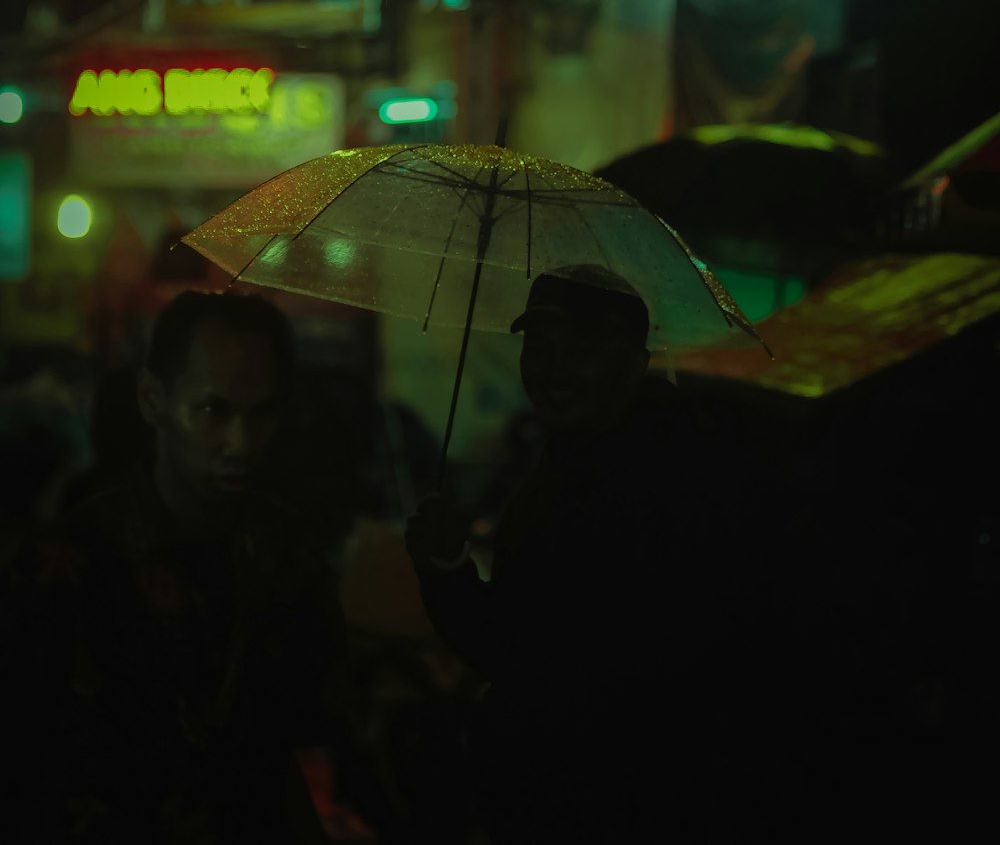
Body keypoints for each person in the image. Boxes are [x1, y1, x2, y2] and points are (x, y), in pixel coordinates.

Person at [405, 265, 775, 843]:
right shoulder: (581, 454)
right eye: (542, 347)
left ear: (633, 364)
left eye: (581, 350)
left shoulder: (641, 486)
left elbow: (530, 659)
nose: (553, 369)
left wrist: (445, 575)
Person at [3, 289, 376, 844]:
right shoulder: (72, 563)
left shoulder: (289, 555)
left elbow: (308, 739)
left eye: (261, 414)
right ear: (154, 399)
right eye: (213, 411)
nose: (240, 443)